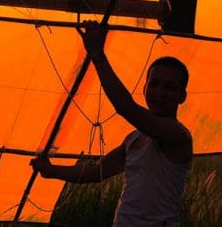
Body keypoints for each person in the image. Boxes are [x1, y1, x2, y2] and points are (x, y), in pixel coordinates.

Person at [31, 21, 193, 227]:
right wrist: (51, 171)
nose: (160, 92)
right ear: (144, 88)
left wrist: (98, 56)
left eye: (170, 87)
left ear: (182, 96)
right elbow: (96, 172)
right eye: (154, 84)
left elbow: (127, 108)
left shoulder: (177, 135)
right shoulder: (134, 139)